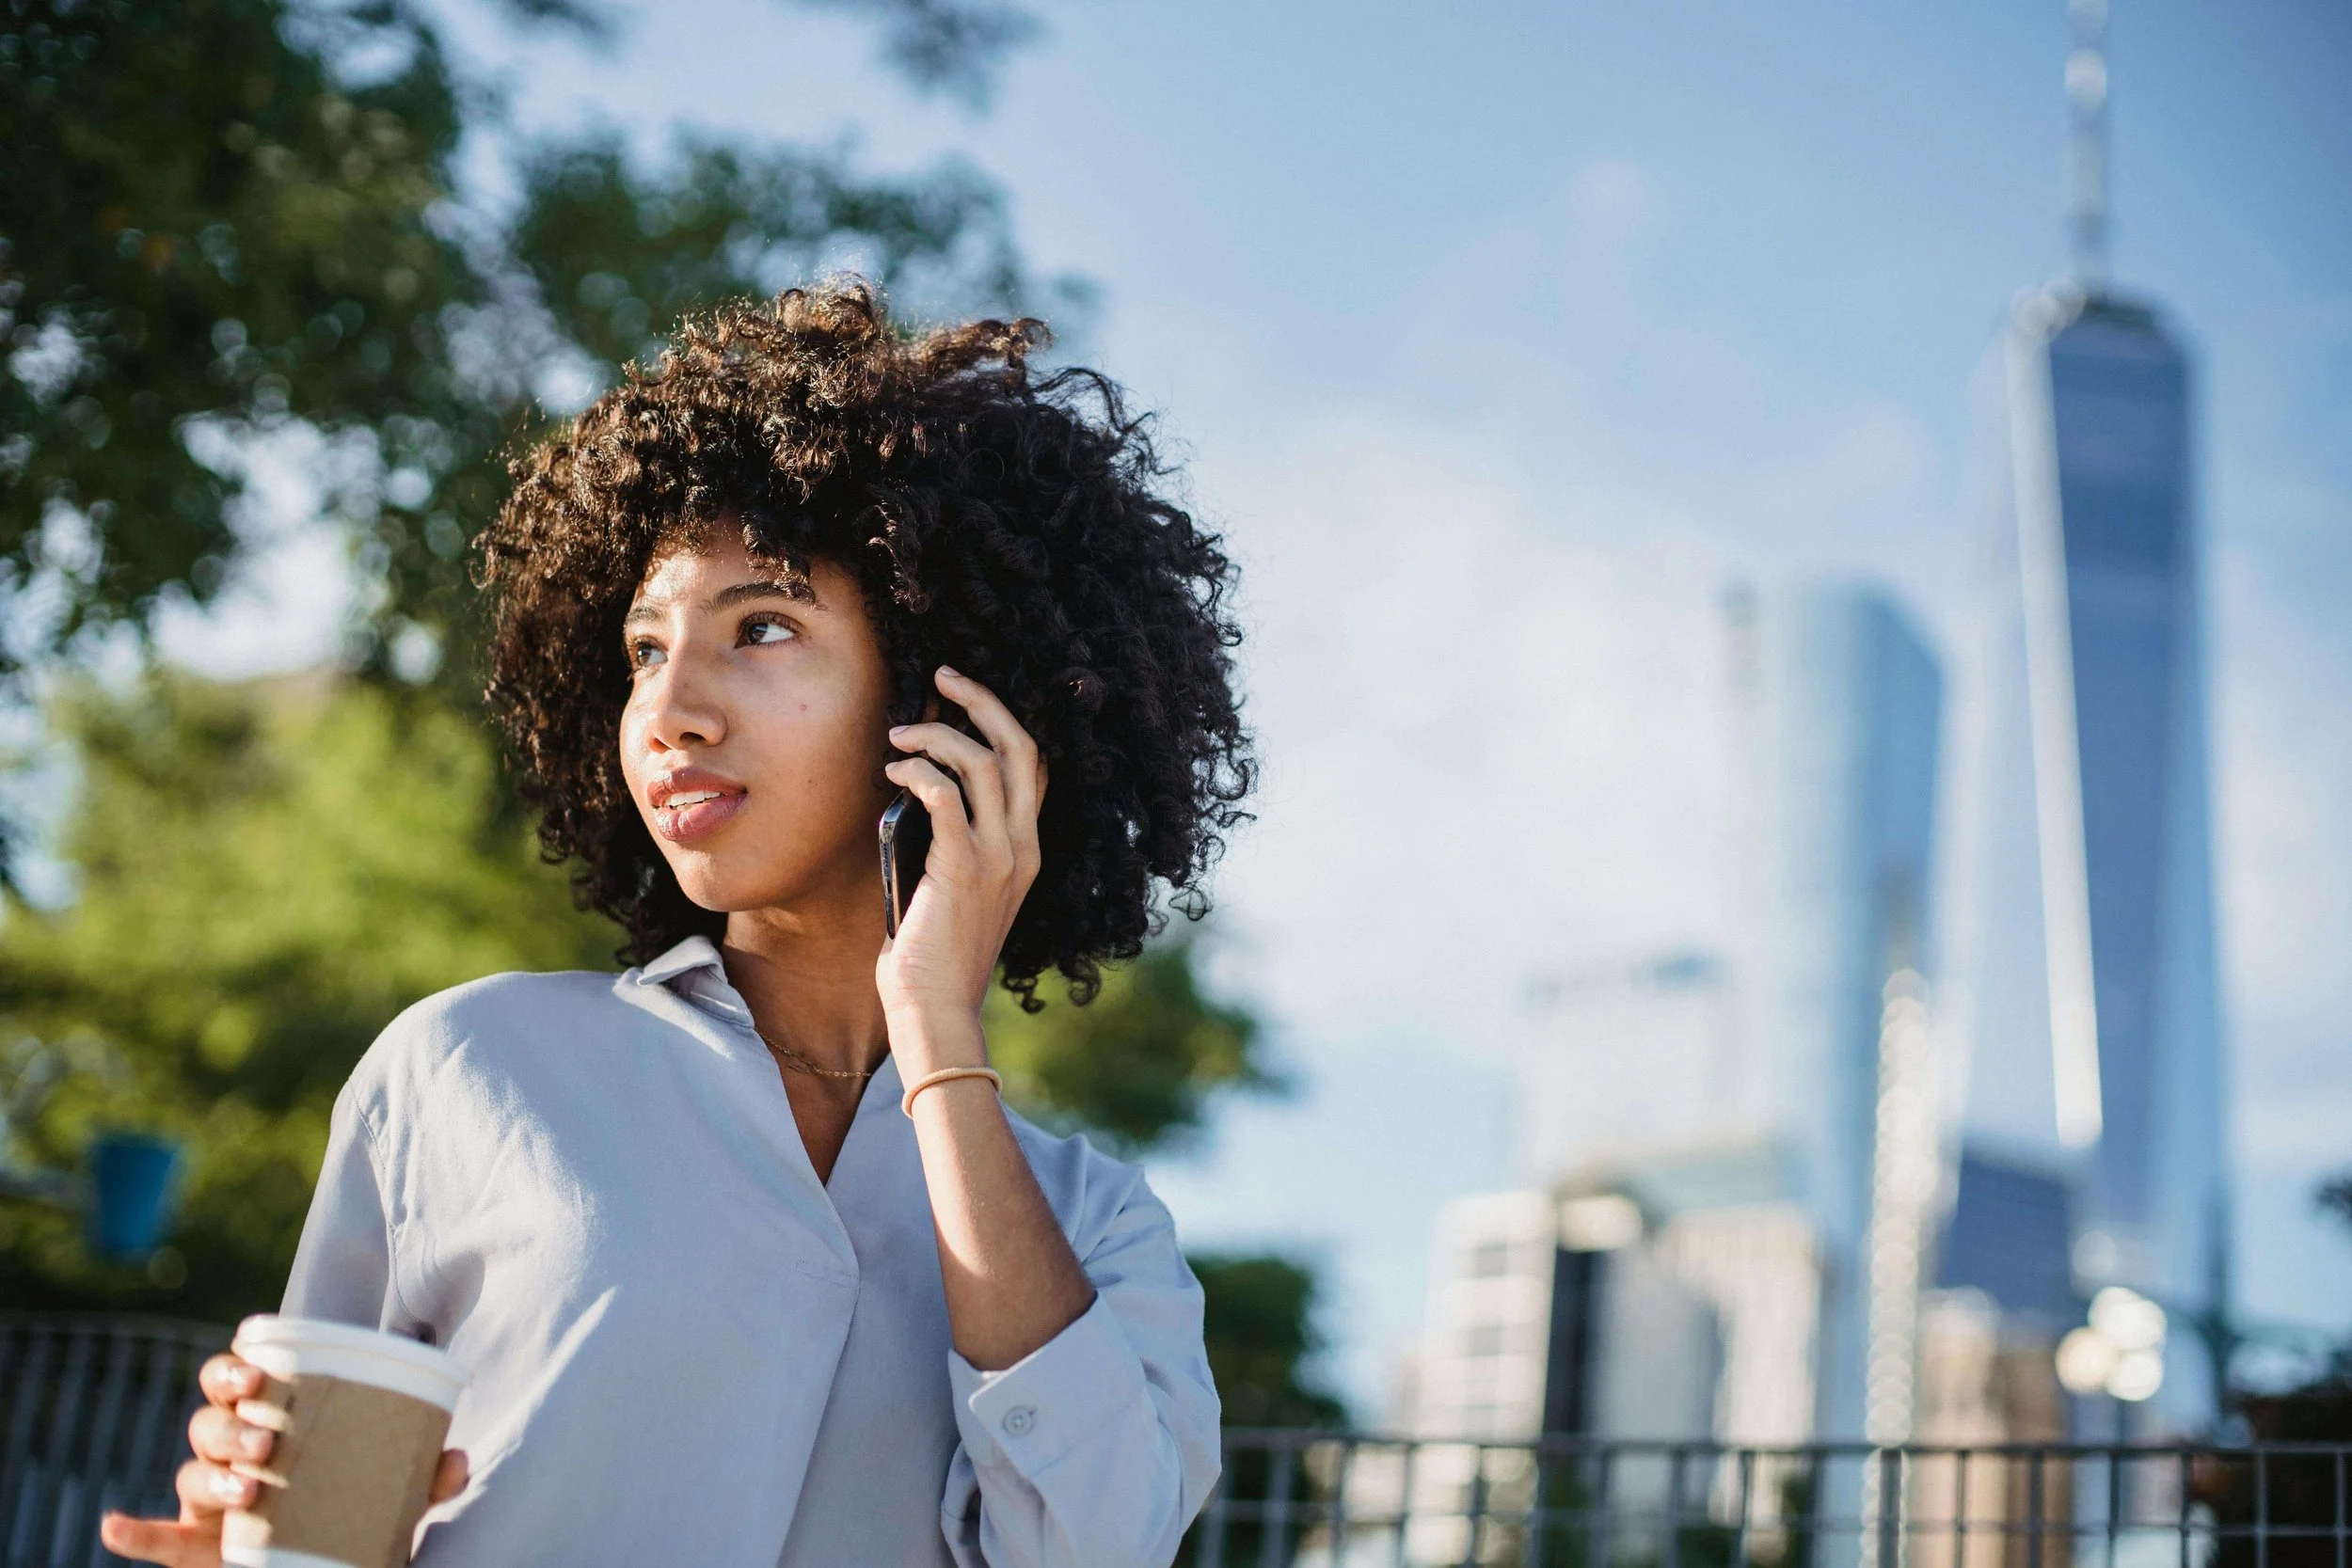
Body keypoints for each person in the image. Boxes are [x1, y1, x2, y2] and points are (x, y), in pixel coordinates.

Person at [102, 278, 1253, 1568]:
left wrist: (936, 1028)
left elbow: (1094, 1548)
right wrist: (250, 1533)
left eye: (762, 626)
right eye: (647, 648)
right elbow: (313, 1531)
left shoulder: (1092, 1228)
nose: (671, 709)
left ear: (953, 692)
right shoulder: (469, 1067)